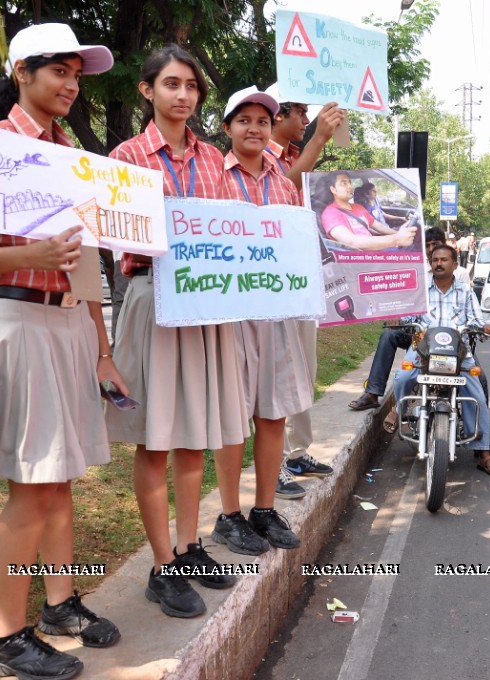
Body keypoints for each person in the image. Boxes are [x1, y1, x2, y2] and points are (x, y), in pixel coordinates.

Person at [0, 23, 123, 680]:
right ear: (21, 72)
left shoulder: (69, 155)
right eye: (58, 71)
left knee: (60, 477)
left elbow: (87, 263)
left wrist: (101, 347)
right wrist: (29, 253)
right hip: (13, 319)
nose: (71, 84)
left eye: (76, 73)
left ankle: (60, 603)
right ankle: (5, 638)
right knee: (32, 487)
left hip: (67, 324)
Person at [106, 45, 249, 620]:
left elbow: (237, 232)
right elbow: (121, 239)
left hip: (207, 304)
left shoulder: (215, 160)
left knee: (194, 432)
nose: (183, 95)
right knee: (155, 437)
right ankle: (162, 565)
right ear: (147, 91)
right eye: (171, 84)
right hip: (153, 297)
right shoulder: (125, 157)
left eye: (191, 85)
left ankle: (189, 547)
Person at [209, 86, 308, 555]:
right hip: (230, 314)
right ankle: (229, 515)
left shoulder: (284, 184)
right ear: (227, 127)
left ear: (271, 129)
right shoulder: (213, 178)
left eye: (263, 121)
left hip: (277, 311)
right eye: (244, 119)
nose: (254, 128)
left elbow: (297, 246)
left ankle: (263, 509)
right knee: (232, 416)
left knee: (273, 413)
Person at [263, 83, 344, 499]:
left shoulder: (298, 157)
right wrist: (319, 140)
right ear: (279, 116)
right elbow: (281, 190)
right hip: (273, 287)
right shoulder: (261, 156)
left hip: (301, 284)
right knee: (277, 378)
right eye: (301, 112)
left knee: (303, 372)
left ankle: (297, 452)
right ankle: (273, 465)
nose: (307, 120)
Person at [348, 227, 490, 424]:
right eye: (428, 249)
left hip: (455, 340)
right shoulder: (416, 272)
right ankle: (375, 394)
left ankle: (481, 440)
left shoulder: (460, 278)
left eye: (436, 246)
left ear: (452, 261)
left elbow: (472, 314)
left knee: (480, 380)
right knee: (391, 341)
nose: (433, 255)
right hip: (420, 335)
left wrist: (480, 327)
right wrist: (396, 317)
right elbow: (406, 303)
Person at [385, 244, 490, 476]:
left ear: (455, 264)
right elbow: (409, 316)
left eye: (444, 260)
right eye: (435, 260)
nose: (439, 263)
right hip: (424, 350)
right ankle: (400, 410)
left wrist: (484, 327)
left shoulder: (466, 291)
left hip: (458, 353)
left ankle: (482, 452)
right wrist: (398, 319)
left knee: (476, 394)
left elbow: (477, 320)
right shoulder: (421, 290)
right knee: (402, 377)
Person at [319, 172, 416, 251]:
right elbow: (351, 242)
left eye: (350, 182)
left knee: (412, 245)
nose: (350, 186)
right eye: (344, 183)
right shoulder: (330, 214)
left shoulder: (358, 207)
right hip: (364, 258)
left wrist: (398, 233)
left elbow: (379, 226)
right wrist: (396, 239)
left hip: (377, 248)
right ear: (333, 189)